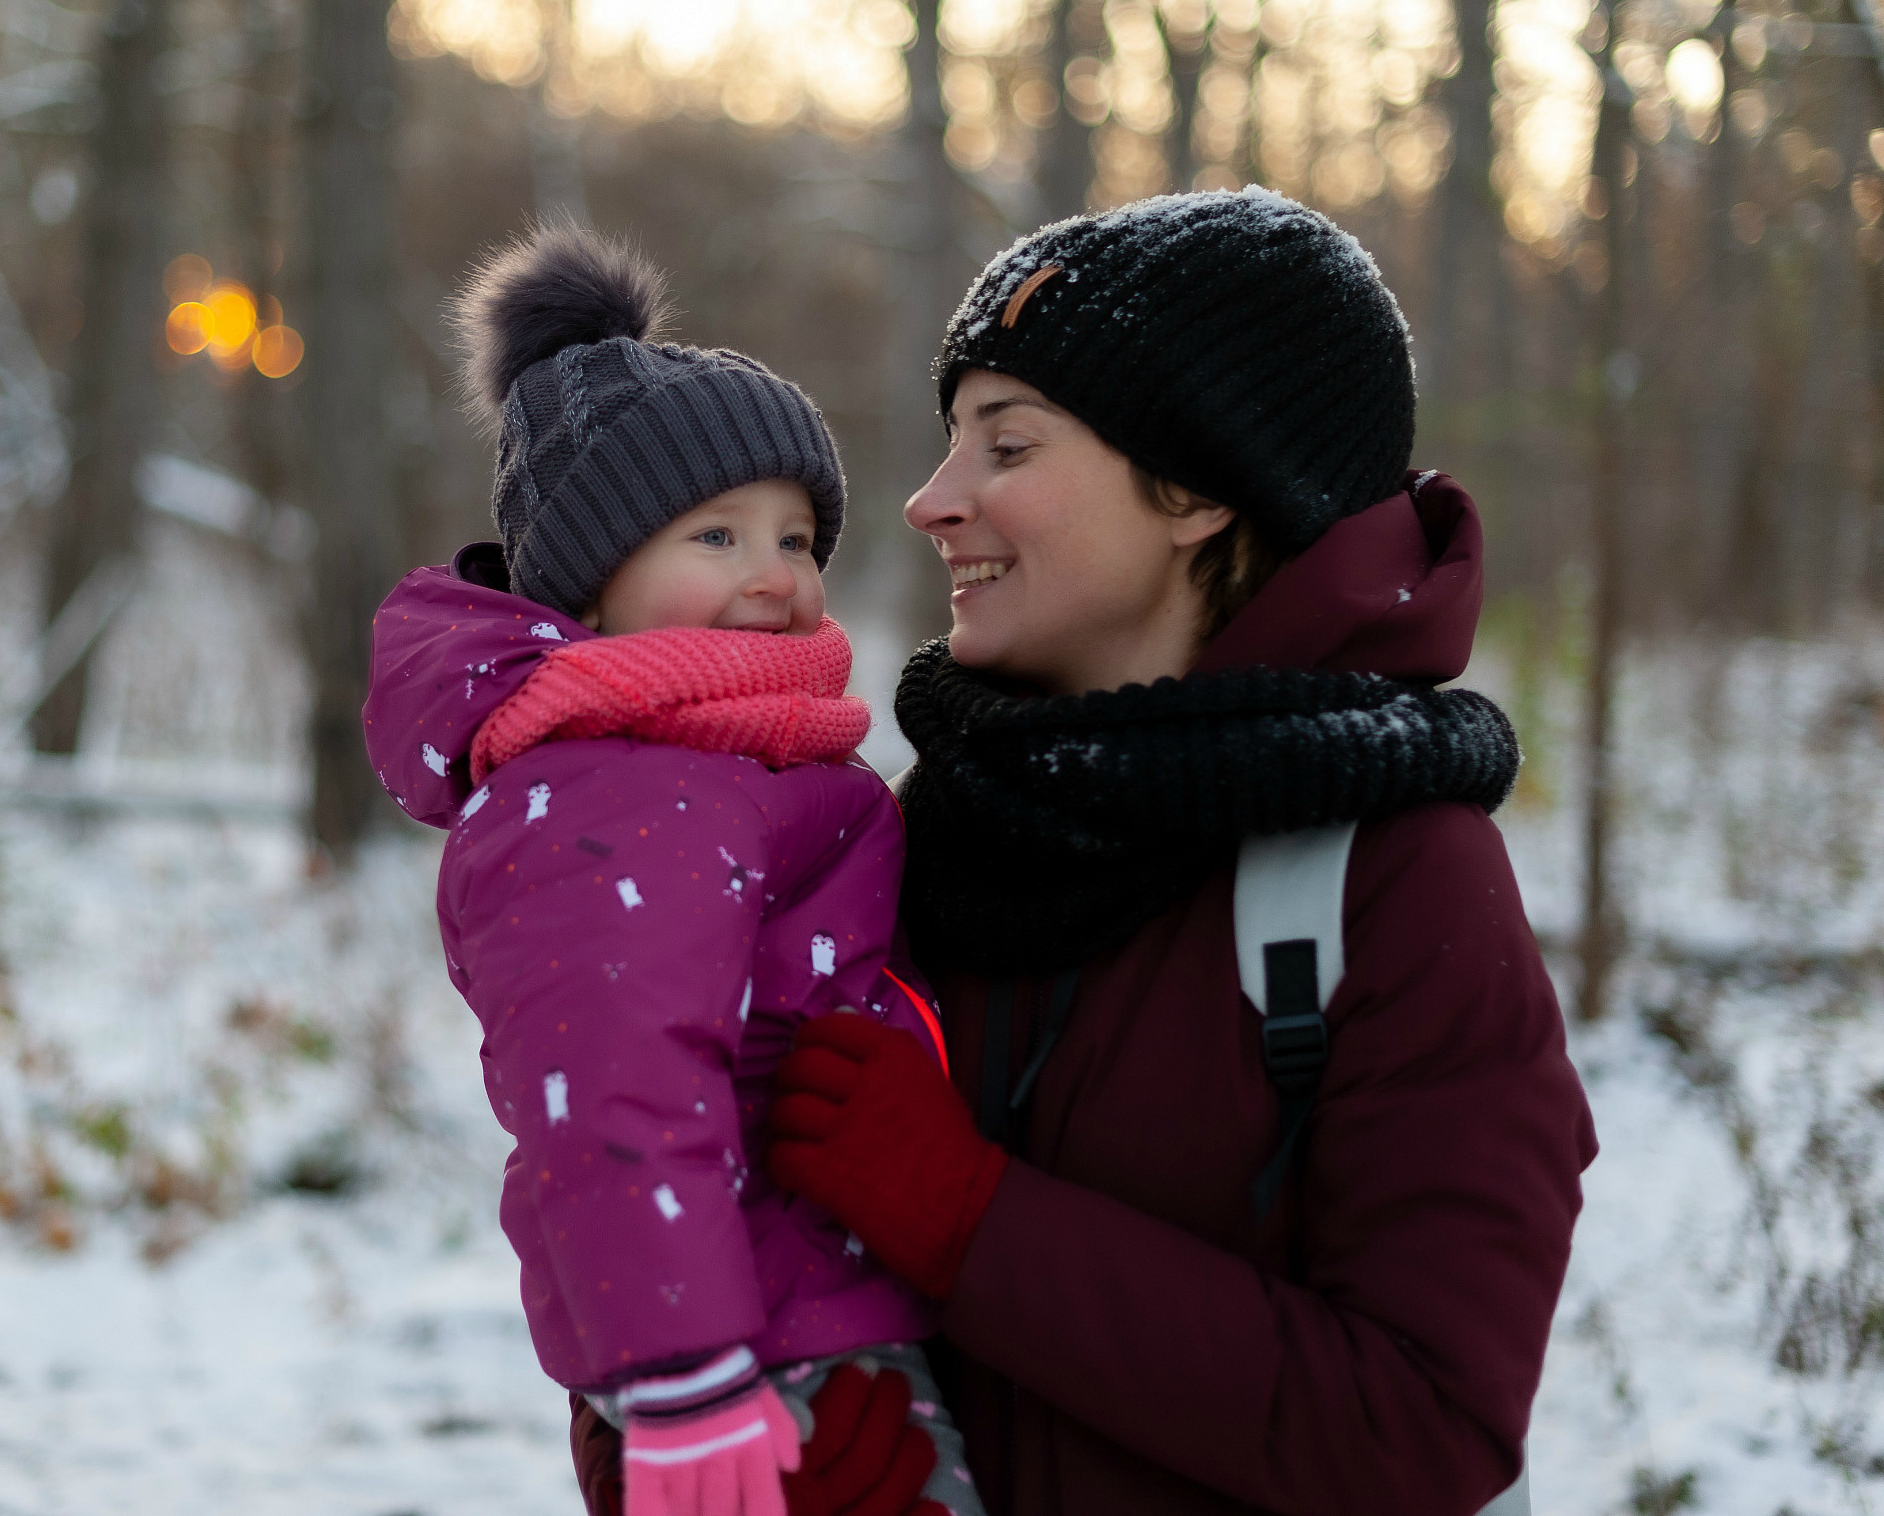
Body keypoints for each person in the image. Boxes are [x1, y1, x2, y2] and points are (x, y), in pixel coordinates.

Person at [577, 188, 1598, 1514]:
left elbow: (1424, 1425)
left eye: (1006, 446)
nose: (932, 502)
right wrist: (701, 1456)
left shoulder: (1387, 877)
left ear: (1197, 488)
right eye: (954, 444)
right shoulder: (903, 840)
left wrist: (969, 1224)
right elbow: (687, 1243)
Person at [362, 228, 979, 1516]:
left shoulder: (736, 757)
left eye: (799, 537)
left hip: (825, 1295)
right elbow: (611, 1085)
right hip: (760, 1351)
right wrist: (685, 1376)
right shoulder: (617, 784)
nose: (776, 576)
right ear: (589, 585)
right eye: (716, 536)